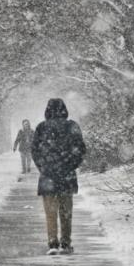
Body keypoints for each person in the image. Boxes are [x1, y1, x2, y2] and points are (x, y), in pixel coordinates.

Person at [31, 98, 86, 255]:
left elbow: (35, 150)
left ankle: (52, 242)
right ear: (64, 109)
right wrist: (71, 165)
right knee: (66, 212)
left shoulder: (42, 128)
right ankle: (66, 242)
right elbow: (80, 149)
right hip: (66, 176)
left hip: (48, 176)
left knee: (50, 212)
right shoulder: (72, 126)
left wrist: (43, 167)